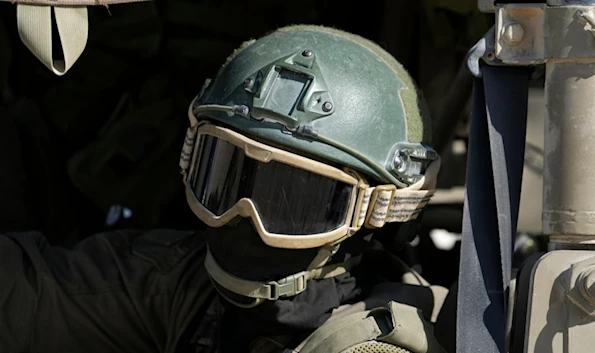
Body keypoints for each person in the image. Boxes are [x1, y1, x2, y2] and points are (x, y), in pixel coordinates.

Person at [0, 25, 448, 353]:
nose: (243, 216)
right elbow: (25, 293)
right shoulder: (187, 283)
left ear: (378, 214)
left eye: (295, 202)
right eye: (226, 177)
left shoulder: (371, 345)